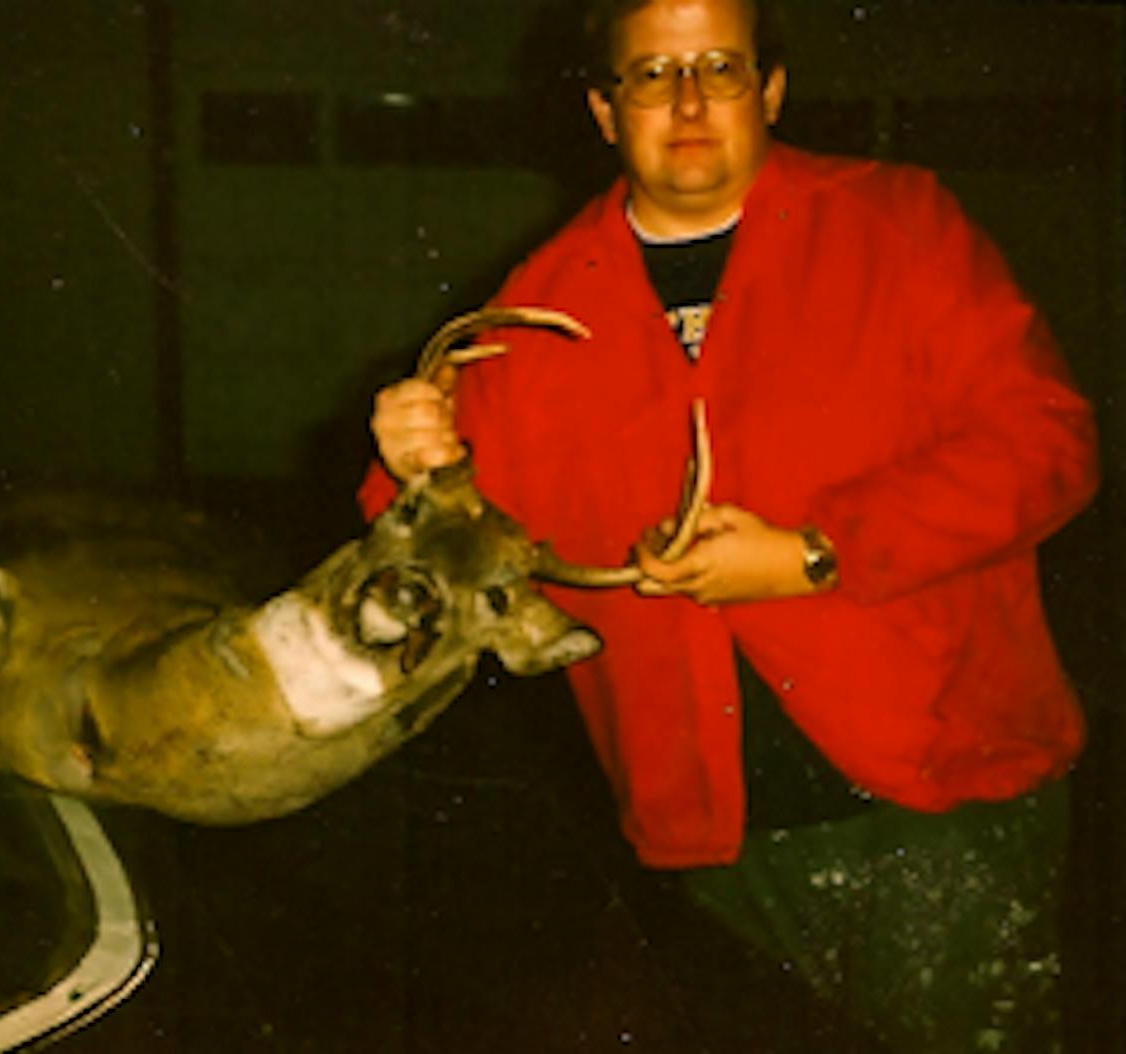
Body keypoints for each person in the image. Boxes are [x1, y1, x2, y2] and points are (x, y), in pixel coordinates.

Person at [359, 0, 1100, 1049]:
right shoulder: (532, 312)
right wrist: (408, 463)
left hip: (943, 800)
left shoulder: (898, 224)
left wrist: (815, 553)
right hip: (711, 848)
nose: (691, 99)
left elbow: (1047, 444)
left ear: (772, 90)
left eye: (720, 66)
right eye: (651, 76)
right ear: (602, 110)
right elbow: (433, 549)